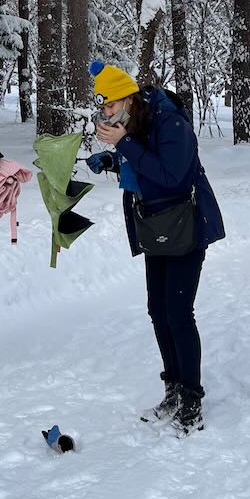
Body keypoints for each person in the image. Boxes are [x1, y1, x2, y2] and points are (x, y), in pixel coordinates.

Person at [90, 59, 225, 435]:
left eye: (110, 106)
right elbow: (142, 165)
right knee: (158, 310)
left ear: (128, 99)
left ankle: (192, 400)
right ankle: (173, 390)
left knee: (179, 313)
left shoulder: (171, 124)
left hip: (185, 225)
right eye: (103, 107)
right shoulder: (136, 124)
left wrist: (125, 145)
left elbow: (172, 176)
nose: (106, 112)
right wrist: (112, 160)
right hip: (155, 226)